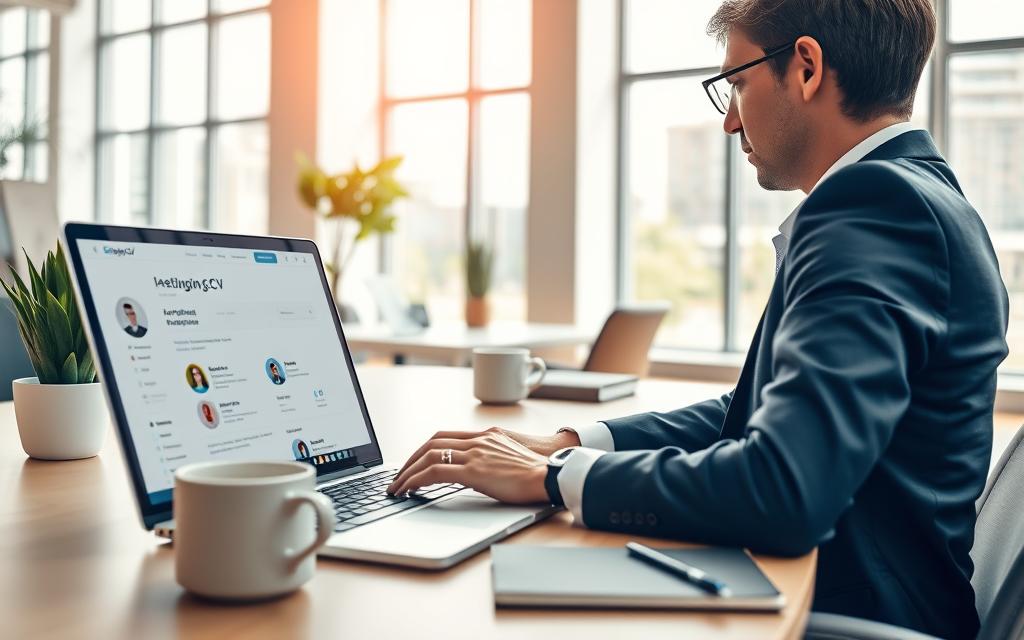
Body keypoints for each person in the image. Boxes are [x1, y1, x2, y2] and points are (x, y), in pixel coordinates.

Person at [387, 1, 1008, 637]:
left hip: (852, 615)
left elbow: (784, 487)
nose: (730, 122)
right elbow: (759, 408)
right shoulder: (921, 195)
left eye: (737, 82)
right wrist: (573, 446)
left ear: (807, 67)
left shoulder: (874, 206)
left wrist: (553, 479)